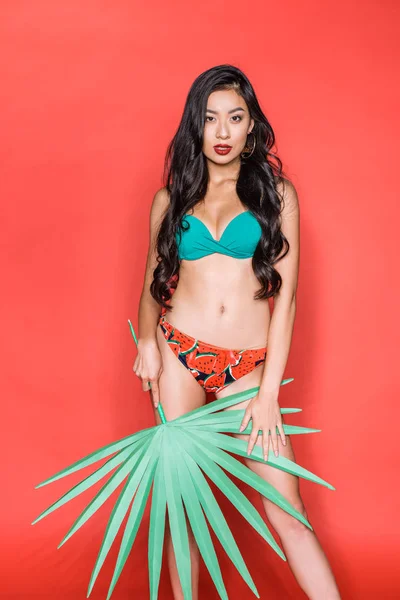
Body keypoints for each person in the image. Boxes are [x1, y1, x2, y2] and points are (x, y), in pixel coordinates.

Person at [133, 64, 341, 600]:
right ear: (194, 127)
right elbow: (153, 285)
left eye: (234, 118)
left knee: (290, 515)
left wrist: (269, 392)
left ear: (252, 127)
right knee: (183, 517)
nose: (222, 132)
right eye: (209, 119)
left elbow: (286, 298)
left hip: (246, 371)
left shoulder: (279, 197)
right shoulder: (169, 201)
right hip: (180, 355)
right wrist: (147, 344)